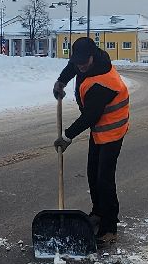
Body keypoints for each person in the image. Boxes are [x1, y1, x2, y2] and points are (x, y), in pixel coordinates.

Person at [52, 35, 130, 246]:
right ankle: (98, 212)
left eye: (84, 63)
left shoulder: (104, 81)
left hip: (112, 129)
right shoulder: (83, 61)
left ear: (92, 56)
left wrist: (67, 136)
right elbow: (72, 68)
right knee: (92, 172)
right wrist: (61, 81)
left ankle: (109, 228)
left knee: (104, 178)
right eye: (78, 62)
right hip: (99, 128)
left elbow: (90, 116)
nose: (81, 67)